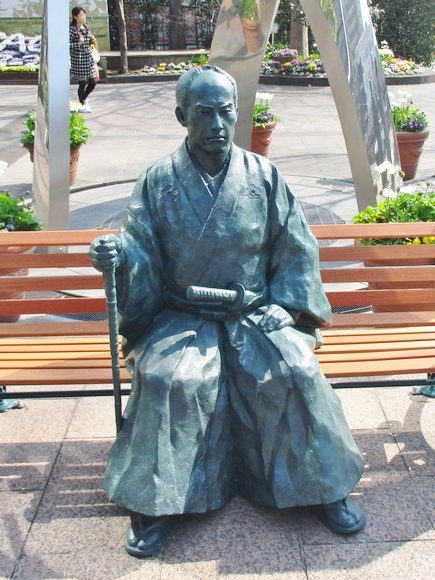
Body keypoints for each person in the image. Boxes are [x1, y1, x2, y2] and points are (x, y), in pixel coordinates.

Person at [90, 65, 366, 559]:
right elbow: (139, 247)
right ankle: (158, 502)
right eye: (204, 113)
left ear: (237, 112)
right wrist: (118, 257)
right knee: (171, 380)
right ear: (182, 116)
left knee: (294, 369)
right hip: (184, 316)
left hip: (254, 310)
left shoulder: (263, 176)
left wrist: (288, 304)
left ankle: (324, 486)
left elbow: (295, 245)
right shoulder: (158, 181)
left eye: (225, 112)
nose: (217, 124)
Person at [69, 6, 97, 113]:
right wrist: (78, 43)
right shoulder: (72, 30)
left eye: (84, 15)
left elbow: (90, 44)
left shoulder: (86, 28)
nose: (84, 17)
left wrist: (92, 40)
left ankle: (83, 100)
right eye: (81, 15)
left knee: (93, 81)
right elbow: (67, 46)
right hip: (79, 60)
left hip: (88, 59)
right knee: (83, 83)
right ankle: (82, 105)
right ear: (75, 16)